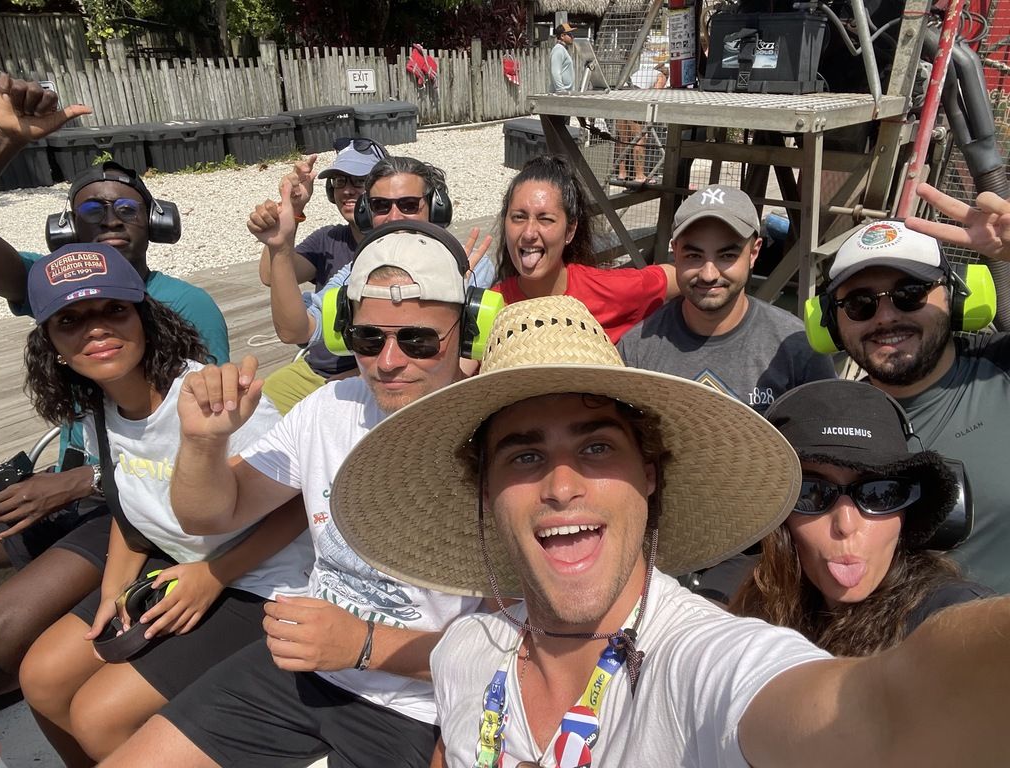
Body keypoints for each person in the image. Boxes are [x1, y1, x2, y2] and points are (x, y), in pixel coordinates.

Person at [323, 294, 1010, 767]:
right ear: (487, 493)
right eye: (525, 456)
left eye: (597, 448)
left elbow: (881, 713)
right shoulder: (466, 652)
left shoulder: (705, 660)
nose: (563, 486)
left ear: (649, 476)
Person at [98, 221, 490, 768]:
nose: (389, 361)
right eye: (369, 339)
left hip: (415, 703)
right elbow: (208, 515)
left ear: (467, 331)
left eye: (419, 339)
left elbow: (512, 649)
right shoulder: (328, 410)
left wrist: (361, 644)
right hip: (299, 665)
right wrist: (202, 444)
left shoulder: (499, 444)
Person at [13, 244, 310, 765]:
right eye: (70, 320)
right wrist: (113, 587)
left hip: (260, 579)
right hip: (180, 563)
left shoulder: (209, 401)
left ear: (144, 318)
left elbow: (302, 502)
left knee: (99, 716)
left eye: (113, 310)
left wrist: (215, 574)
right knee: (40, 676)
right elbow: (128, 507)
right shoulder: (100, 405)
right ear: (53, 345)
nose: (96, 329)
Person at [0, 74, 229, 695]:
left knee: (0, 639)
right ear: (67, 226)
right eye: (92, 209)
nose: (112, 218)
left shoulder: (186, 305)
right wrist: (4, 143)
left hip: (121, 499)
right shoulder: (52, 279)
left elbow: (199, 444)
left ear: (158, 221)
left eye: (128, 207)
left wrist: (77, 482)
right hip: (69, 483)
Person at [815, 217, 1010, 593]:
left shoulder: (1003, 368)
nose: (886, 317)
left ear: (955, 297)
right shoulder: (830, 426)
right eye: (860, 304)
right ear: (830, 322)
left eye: (911, 292)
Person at [732, 379, 992, 655]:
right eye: (811, 493)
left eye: (880, 493)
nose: (845, 524)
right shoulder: (752, 607)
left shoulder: (948, 614)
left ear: (908, 511)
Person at [261, 155, 494, 384]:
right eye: (381, 206)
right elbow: (298, 330)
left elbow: (468, 361)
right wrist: (279, 248)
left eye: (409, 205)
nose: (394, 217)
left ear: (436, 209)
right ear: (366, 213)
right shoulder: (358, 269)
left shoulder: (469, 263)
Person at [618, 185, 835, 412]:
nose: (708, 274)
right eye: (693, 256)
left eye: (727, 256)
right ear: (675, 251)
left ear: (754, 253)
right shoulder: (636, 352)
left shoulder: (796, 347)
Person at [256, 140, 387, 413]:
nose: (348, 190)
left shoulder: (394, 248)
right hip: (314, 370)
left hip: (369, 374)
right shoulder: (327, 239)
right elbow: (272, 275)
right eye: (340, 181)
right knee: (253, 411)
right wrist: (290, 212)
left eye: (359, 181)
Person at [492, 155, 677, 343]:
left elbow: (677, 277)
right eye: (518, 217)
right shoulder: (491, 306)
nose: (529, 233)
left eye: (545, 219)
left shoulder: (608, 290)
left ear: (570, 231)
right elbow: (464, 370)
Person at [550, 22, 576, 96]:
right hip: (561, 94)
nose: (572, 37)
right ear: (562, 36)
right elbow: (555, 72)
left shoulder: (562, 49)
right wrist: (561, 91)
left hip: (566, 93)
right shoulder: (558, 49)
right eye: (570, 34)